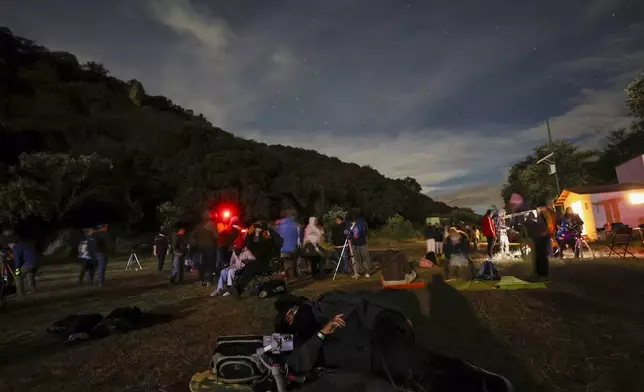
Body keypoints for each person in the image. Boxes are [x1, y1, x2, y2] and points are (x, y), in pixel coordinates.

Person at [275, 292, 514, 392]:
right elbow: (298, 362)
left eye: (294, 310)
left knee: (403, 362)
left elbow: (363, 303)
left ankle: (485, 383)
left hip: (378, 325)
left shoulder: (323, 303)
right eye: (289, 318)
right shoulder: (304, 339)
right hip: (371, 356)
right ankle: (470, 377)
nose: (294, 317)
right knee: (410, 370)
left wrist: (394, 317)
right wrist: (321, 334)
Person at [227, 222, 276, 299]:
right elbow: (249, 245)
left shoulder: (268, 239)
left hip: (265, 264)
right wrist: (253, 234)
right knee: (247, 267)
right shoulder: (256, 239)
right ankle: (237, 289)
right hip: (257, 263)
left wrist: (256, 235)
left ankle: (238, 290)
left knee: (251, 268)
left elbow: (260, 250)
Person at [525, 201, 555, 279]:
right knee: (538, 255)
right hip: (539, 237)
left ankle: (543, 273)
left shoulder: (546, 214)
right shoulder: (541, 214)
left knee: (542, 255)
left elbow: (549, 225)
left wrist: (545, 232)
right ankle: (539, 272)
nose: (538, 209)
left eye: (539, 207)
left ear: (542, 207)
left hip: (543, 237)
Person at [275, 210, 300, 279]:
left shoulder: (279, 226)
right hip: (293, 247)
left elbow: (276, 236)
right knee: (292, 261)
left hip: (283, 248)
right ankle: (292, 276)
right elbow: (297, 236)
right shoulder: (294, 225)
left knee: (286, 261)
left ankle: (287, 275)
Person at [192, 222, 218, 287]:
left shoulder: (198, 231)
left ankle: (201, 281)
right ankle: (210, 281)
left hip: (202, 249)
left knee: (202, 266)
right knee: (210, 266)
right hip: (210, 250)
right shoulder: (211, 232)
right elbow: (216, 238)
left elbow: (194, 239)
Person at [349, 211, 371, 279]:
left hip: (362, 242)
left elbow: (365, 230)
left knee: (365, 257)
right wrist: (351, 236)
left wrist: (359, 235)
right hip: (354, 243)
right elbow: (349, 231)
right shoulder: (350, 223)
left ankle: (367, 272)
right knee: (356, 258)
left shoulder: (361, 221)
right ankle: (357, 272)